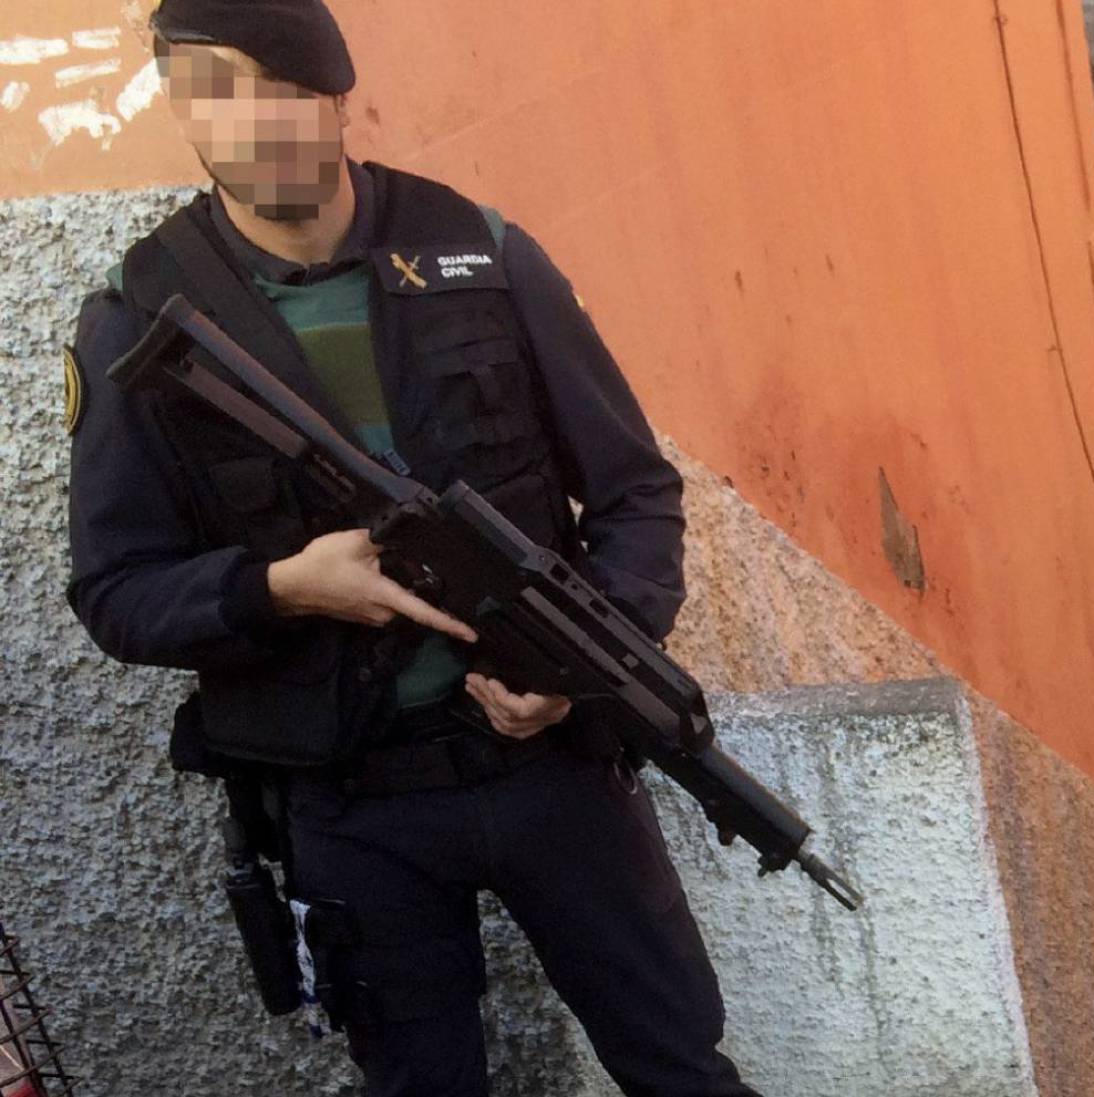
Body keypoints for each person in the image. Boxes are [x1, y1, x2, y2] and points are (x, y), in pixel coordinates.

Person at [62, 1, 756, 1094]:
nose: (255, 134)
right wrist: (285, 588)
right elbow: (114, 591)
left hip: (551, 769)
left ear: (337, 96)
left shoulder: (480, 253)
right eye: (217, 104)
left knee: (678, 1063)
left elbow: (633, 492)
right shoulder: (141, 321)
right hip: (352, 801)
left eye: (281, 100)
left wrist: (580, 670)